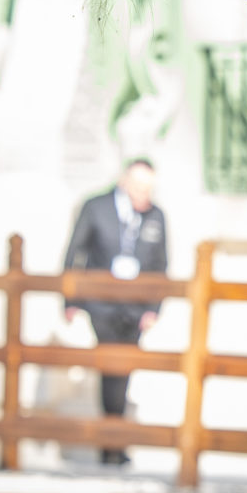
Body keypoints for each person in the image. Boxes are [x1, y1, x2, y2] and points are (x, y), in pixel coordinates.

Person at [64, 158, 169, 465]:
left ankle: (113, 440)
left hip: (136, 306)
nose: (143, 193)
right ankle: (111, 442)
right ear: (124, 181)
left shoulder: (155, 216)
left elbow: (161, 264)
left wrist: (154, 308)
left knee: (124, 370)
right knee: (111, 366)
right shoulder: (96, 207)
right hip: (102, 302)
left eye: (148, 187)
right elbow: (75, 251)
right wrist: (70, 299)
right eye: (138, 186)